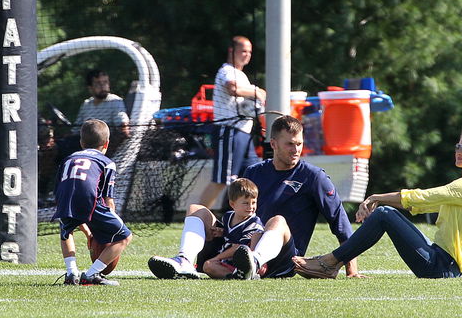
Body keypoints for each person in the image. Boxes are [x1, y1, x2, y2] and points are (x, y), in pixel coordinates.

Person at [147, 115, 360, 279]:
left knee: (277, 221)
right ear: (274, 144)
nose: (296, 150)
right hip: (240, 244)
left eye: (299, 144)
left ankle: (254, 264)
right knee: (197, 210)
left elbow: (340, 223)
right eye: (289, 144)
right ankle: (185, 262)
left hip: (280, 258)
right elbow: (237, 211)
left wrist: (352, 269)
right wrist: (223, 229)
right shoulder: (254, 172)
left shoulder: (314, 177)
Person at [292, 127, 462, 279]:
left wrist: (376, 197)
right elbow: (422, 205)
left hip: (443, 268)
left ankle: (329, 263)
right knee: (385, 214)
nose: (459, 151)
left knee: (384, 213)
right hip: (441, 261)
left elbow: (420, 197)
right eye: (458, 145)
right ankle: (331, 264)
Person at [53, 119, 132, 286]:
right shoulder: (107, 163)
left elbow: (70, 196)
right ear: (107, 143)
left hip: (64, 199)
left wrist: (89, 233)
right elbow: (107, 199)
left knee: (66, 232)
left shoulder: (68, 159)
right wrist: (109, 226)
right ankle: (91, 274)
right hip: (90, 201)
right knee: (125, 237)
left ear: (81, 142)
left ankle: (71, 273)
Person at [198, 36, 267, 208]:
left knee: (251, 178)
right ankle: (195, 221)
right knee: (222, 180)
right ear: (231, 51)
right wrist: (257, 92)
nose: (247, 55)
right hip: (228, 131)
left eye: (250, 52)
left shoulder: (241, 75)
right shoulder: (227, 71)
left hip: (243, 133)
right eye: (243, 51)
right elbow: (233, 88)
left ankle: (234, 218)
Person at [197, 178, 263, 279]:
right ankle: (236, 276)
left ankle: (244, 274)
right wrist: (222, 232)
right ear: (232, 204)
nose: (250, 207)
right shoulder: (228, 217)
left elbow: (241, 248)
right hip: (226, 261)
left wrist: (217, 258)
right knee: (207, 266)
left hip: (241, 264)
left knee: (209, 265)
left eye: (253, 202)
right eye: (245, 203)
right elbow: (231, 235)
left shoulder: (254, 224)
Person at [72, 70, 130, 155]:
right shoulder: (86, 104)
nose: (103, 86)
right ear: (90, 87)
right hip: (85, 148)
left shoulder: (115, 101)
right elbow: (75, 130)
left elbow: (123, 127)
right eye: (98, 83)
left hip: (108, 149)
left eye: (105, 82)